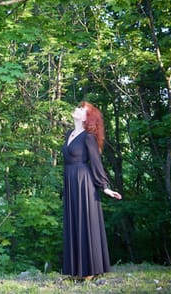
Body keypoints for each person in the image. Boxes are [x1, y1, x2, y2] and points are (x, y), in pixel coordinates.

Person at [61, 101, 122, 281]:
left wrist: (105, 187)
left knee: (84, 223)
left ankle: (89, 271)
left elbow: (95, 162)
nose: (77, 109)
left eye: (82, 109)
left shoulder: (88, 137)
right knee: (73, 223)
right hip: (71, 182)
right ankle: (76, 271)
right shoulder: (69, 134)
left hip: (83, 183)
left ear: (87, 117)